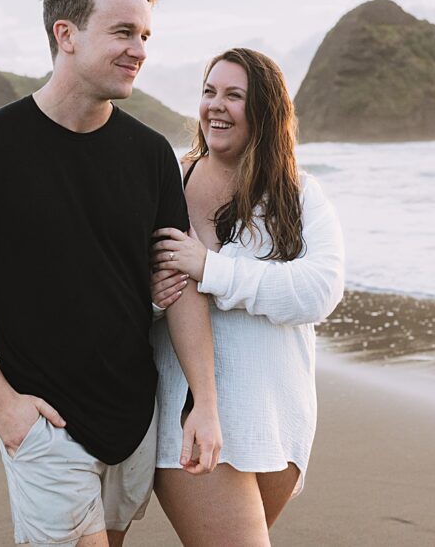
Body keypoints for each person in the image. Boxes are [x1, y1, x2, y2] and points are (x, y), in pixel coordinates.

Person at [0, 0, 222, 547]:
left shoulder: (151, 155)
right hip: (45, 422)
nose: (139, 49)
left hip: (134, 420)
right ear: (67, 35)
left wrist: (204, 403)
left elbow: (178, 284)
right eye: (123, 32)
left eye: (145, 37)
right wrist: (3, 405)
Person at [149, 47, 345, 546]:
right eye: (209, 92)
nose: (216, 105)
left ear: (265, 110)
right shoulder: (169, 181)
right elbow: (123, 287)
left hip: (278, 420)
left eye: (234, 95)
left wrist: (212, 269)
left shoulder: (299, 195)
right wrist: (152, 297)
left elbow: (319, 291)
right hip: (192, 418)